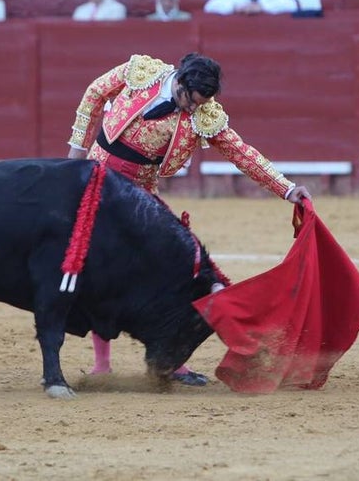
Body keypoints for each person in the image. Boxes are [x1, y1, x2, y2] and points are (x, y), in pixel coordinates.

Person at [66, 51, 310, 384]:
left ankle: (175, 359)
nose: (191, 109)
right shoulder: (143, 71)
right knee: (98, 267)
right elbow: (95, 92)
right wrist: (76, 151)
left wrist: (286, 188)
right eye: (188, 101)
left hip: (139, 195)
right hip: (96, 180)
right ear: (179, 80)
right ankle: (102, 365)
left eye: (198, 104)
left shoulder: (204, 115)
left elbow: (241, 153)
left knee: (179, 268)